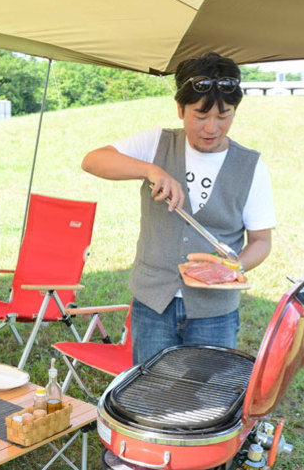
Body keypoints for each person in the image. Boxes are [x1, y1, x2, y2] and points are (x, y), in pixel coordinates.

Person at [82, 52, 276, 365]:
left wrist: (231, 269)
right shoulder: (157, 143)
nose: (212, 127)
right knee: (151, 396)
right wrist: (150, 170)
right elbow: (92, 160)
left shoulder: (251, 167)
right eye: (200, 116)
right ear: (179, 109)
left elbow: (261, 242)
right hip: (152, 304)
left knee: (206, 401)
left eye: (224, 115)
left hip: (214, 313)